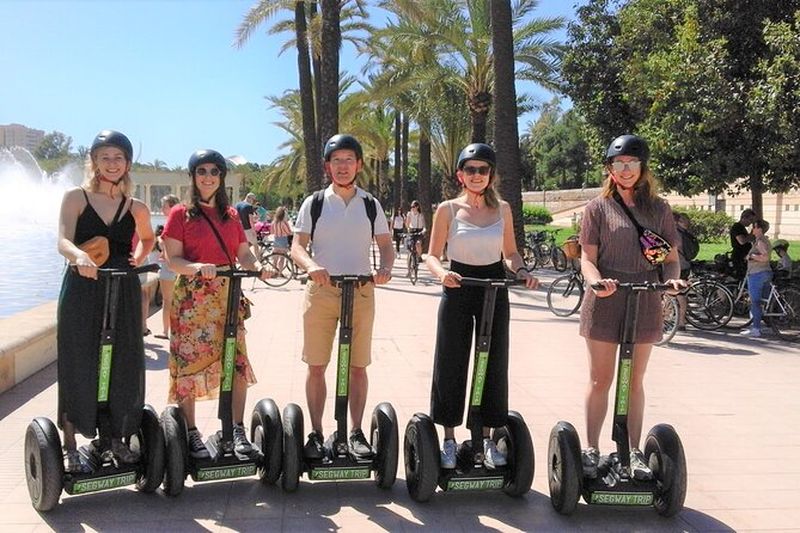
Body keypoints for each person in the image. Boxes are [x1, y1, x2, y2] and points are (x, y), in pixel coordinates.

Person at [425, 143, 539, 469]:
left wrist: (522, 271)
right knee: (451, 360)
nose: (477, 175)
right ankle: (448, 439)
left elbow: (511, 253)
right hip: (458, 284)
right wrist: (442, 274)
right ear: (461, 174)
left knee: (492, 360)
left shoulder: (502, 209)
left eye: (483, 170)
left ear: (491, 175)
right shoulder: (447, 209)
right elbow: (431, 254)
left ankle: (486, 438)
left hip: (493, 287)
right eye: (471, 170)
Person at [578, 134, 684, 481]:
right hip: (607, 297)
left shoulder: (659, 209)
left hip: (645, 297)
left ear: (642, 167)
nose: (625, 170)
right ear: (609, 169)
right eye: (618, 164)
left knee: (635, 380)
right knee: (601, 378)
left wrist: (672, 281)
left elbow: (670, 259)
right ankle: (592, 447)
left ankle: (633, 450)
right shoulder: (597, 208)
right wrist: (596, 281)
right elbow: (587, 259)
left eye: (631, 164)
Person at [162, 149, 272, 459]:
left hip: (226, 296)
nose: (208, 177)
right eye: (202, 171)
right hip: (194, 300)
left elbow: (243, 253)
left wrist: (257, 265)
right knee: (188, 365)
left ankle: (236, 430)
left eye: (214, 171)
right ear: (193, 176)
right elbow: (173, 259)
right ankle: (191, 432)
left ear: (221, 176)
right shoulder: (180, 214)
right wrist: (196, 267)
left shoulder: (231, 215)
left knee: (235, 364)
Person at [290, 134, 394, 459]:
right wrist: (311, 266)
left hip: (361, 291)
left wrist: (386, 268)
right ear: (327, 166)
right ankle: (317, 432)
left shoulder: (370, 203)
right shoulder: (315, 202)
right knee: (317, 365)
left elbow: (386, 245)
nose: (343, 166)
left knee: (358, 367)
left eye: (349, 160)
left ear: (359, 164)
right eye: (337, 160)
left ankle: (356, 431)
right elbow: (297, 246)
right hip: (322, 291)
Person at [56, 129, 154, 472]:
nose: (112, 164)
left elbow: (147, 237)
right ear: (94, 162)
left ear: (127, 163)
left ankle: (115, 438)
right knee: (78, 360)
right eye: (105, 157)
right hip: (83, 286)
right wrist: (78, 258)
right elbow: (63, 240)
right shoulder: (76, 197)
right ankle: (69, 445)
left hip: (122, 286)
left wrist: (139, 259)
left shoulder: (136, 206)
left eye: (118, 157)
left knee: (125, 361)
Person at [155, 194, 180, 339]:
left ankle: (165, 331)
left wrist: (159, 239)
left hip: (168, 265)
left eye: (164, 206)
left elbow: (165, 245)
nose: (162, 209)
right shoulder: (183, 222)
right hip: (179, 267)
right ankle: (176, 330)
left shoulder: (168, 225)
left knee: (167, 300)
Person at [742, 219, 772, 338]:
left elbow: (765, 257)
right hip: (765, 273)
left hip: (757, 274)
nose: (752, 229)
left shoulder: (760, 241)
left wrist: (751, 256)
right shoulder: (764, 240)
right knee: (763, 302)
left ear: (759, 229)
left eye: (754, 227)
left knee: (755, 302)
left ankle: (756, 329)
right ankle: (761, 325)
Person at [730, 208, 757, 280]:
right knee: (741, 278)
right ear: (744, 218)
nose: (751, 223)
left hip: (744, 255)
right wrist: (751, 235)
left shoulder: (742, 228)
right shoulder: (737, 227)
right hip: (739, 256)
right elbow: (741, 241)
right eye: (750, 220)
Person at [235, 192, 259, 257]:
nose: (253, 202)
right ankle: (259, 261)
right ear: (249, 198)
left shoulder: (237, 205)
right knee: (255, 245)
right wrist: (254, 231)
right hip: (247, 229)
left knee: (243, 246)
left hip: (239, 229)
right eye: (253, 200)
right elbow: (250, 220)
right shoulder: (249, 206)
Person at [270, 205, 293, 273]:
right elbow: (288, 232)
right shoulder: (284, 222)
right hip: (283, 240)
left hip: (276, 239)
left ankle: (273, 271)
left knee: (275, 258)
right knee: (282, 257)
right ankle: (280, 272)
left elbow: (272, 232)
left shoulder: (274, 222)